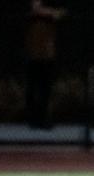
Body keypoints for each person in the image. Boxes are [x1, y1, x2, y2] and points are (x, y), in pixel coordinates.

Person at [24, 0, 65, 129]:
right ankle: (33, 119)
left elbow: (61, 14)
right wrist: (48, 13)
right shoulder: (35, 14)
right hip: (33, 55)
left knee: (45, 90)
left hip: (47, 55)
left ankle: (42, 119)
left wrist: (47, 12)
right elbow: (33, 9)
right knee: (32, 89)